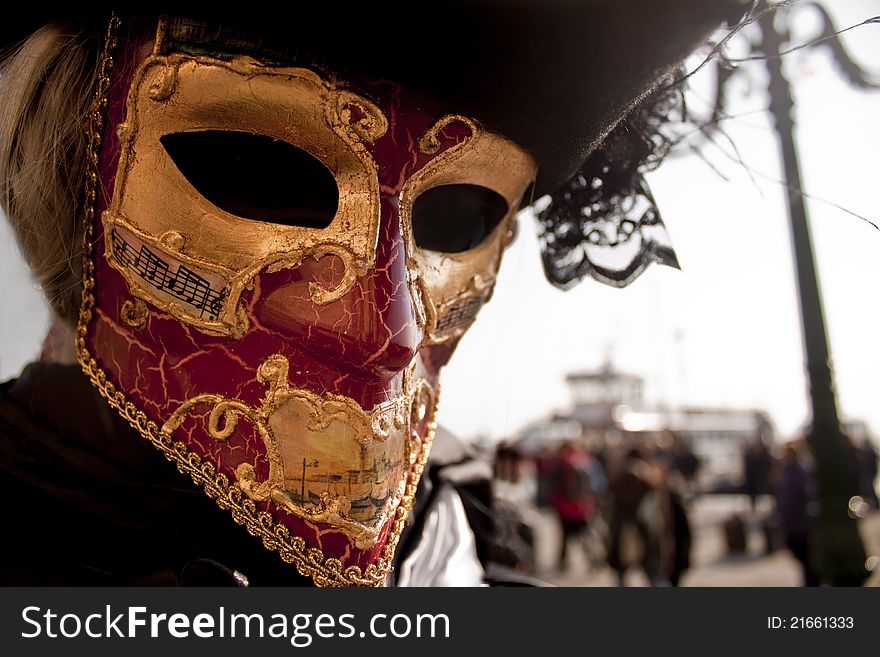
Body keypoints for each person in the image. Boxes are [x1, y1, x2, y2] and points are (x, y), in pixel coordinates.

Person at [0, 3, 748, 586]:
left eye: (456, 216)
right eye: (263, 171)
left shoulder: (465, 537)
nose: (387, 326)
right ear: (76, 169)